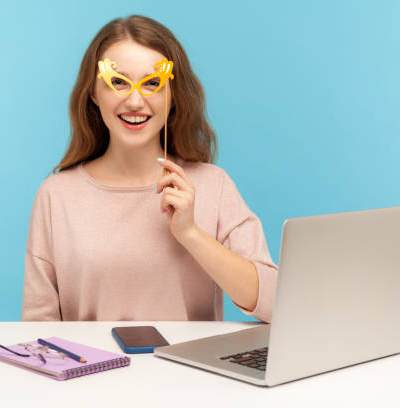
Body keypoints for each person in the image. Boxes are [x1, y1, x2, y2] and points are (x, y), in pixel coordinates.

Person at [22, 15, 277, 323]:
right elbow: (37, 329)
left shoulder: (213, 185)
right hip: (92, 371)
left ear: (173, 97)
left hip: (187, 371)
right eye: (118, 82)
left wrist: (191, 233)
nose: (135, 100)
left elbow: (276, 304)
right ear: (93, 93)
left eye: (153, 84)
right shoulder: (56, 195)